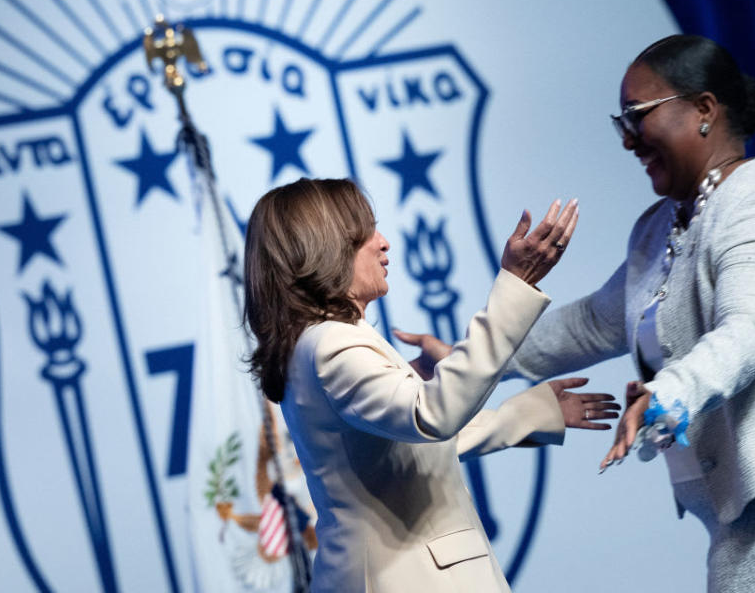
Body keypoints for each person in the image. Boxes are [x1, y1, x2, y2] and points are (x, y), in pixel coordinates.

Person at [406, 34, 755, 591]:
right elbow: (590, 323)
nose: (627, 140)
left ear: (704, 110)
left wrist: (672, 392)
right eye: (620, 123)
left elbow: (752, 330)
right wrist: (471, 358)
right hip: (742, 519)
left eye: (636, 116)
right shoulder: (659, 226)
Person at [242, 177, 619, 592]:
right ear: (323, 248)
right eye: (365, 231)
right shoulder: (332, 343)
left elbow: (408, 453)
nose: (383, 242)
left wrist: (529, 413)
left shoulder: (323, 341)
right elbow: (432, 416)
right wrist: (516, 284)